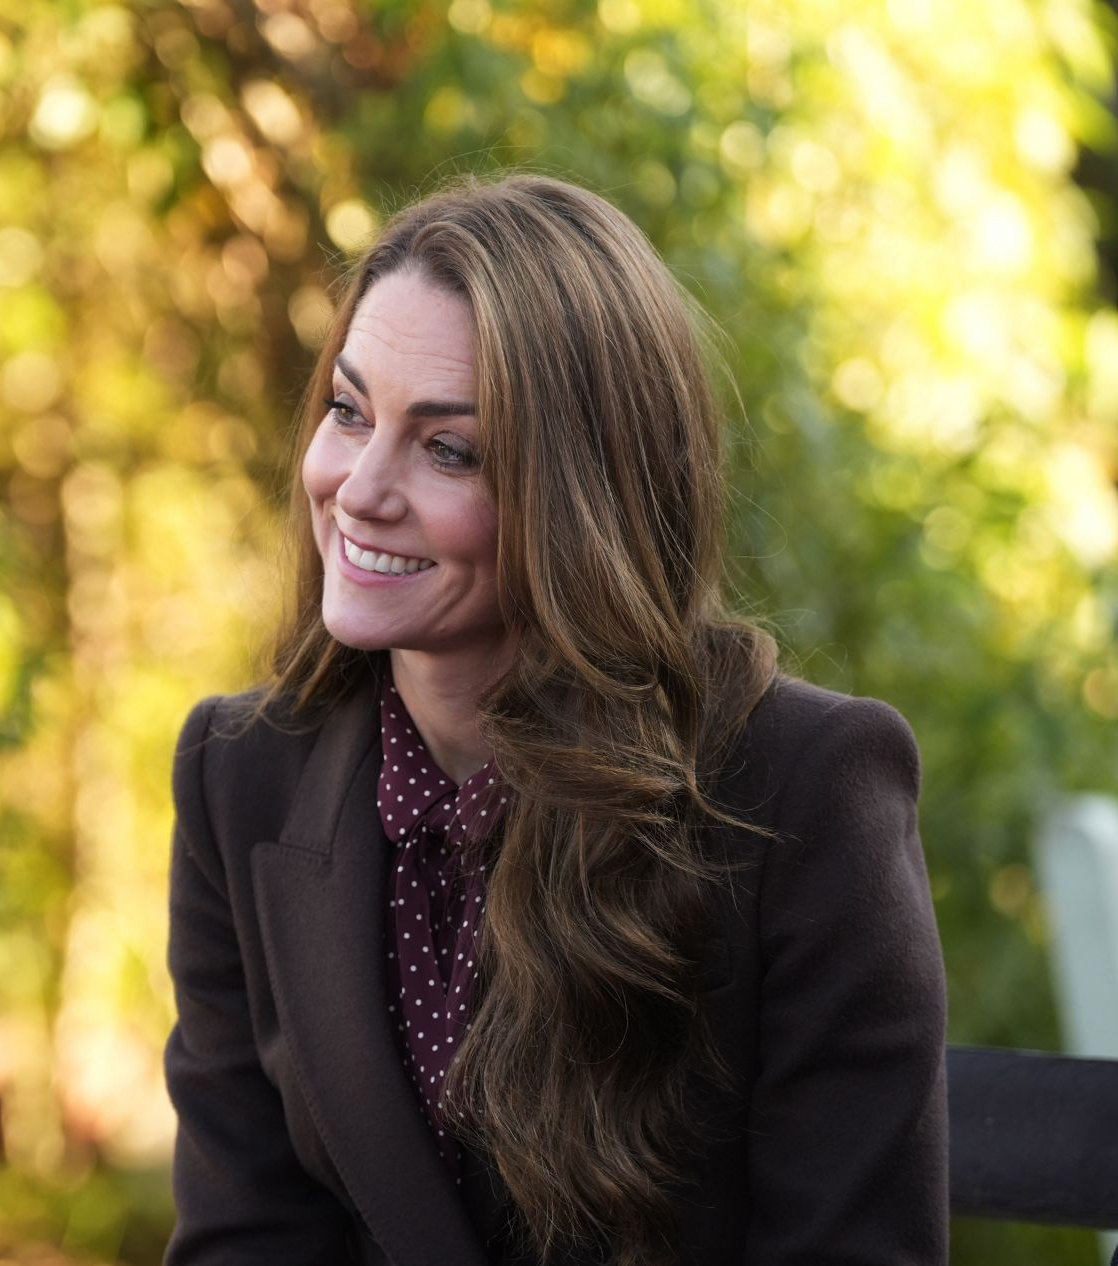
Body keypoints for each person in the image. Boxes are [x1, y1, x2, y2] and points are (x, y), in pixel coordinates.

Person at [161, 173, 948, 1266]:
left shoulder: (807, 790)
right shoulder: (239, 775)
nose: (359, 487)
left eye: (449, 449)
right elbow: (248, 1239)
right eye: (349, 411)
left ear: (582, 496)